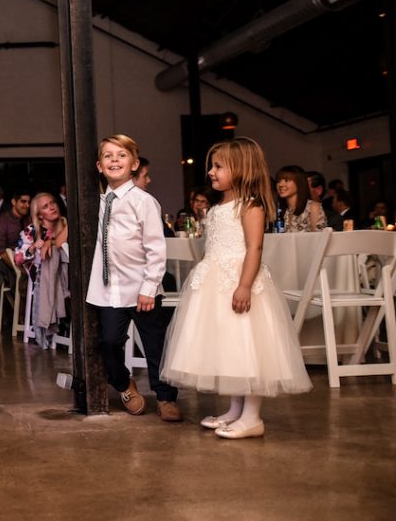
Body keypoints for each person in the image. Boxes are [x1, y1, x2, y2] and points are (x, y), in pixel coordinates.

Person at [162, 137, 312, 439]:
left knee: (248, 348)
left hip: (240, 282)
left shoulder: (250, 206)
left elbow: (254, 248)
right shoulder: (219, 207)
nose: (211, 172)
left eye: (218, 167)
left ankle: (252, 417)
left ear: (242, 170)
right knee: (228, 348)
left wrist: (244, 286)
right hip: (215, 285)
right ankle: (234, 410)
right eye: (212, 166)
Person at [85, 134, 180, 422]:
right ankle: (124, 385)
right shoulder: (95, 203)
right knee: (109, 342)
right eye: (108, 156)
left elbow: (155, 248)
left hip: (142, 288)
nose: (114, 160)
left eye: (121, 155)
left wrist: (149, 287)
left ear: (134, 164)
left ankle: (165, 397)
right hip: (108, 289)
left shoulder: (144, 202)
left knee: (155, 344)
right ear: (99, 166)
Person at [14, 193, 69, 348]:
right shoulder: (32, 231)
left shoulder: (65, 226)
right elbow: (17, 258)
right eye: (45, 206)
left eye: (53, 203)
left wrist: (50, 243)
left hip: (65, 277)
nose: (52, 207)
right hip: (39, 280)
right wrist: (32, 248)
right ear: (39, 215)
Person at [275, 166, 325, 232]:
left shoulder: (312, 208)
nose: (281, 184)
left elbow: (320, 239)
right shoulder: (280, 211)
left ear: (299, 183)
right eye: (278, 181)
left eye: (286, 180)